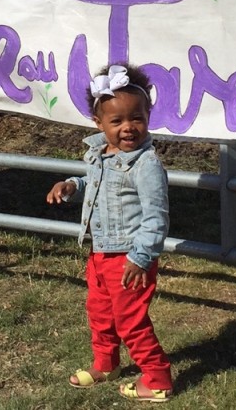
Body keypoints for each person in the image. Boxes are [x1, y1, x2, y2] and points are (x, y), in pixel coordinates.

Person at [46, 63, 173, 403]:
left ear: (148, 115)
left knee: (130, 321)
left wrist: (141, 257)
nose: (128, 128)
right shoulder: (100, 153)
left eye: (137, 118)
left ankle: (158, 378)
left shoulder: (147, 165)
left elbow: (156, 217)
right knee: (100, 313)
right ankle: (106, 364)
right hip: (100, 252)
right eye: (117, 121)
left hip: (130, 257)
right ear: (98, 123)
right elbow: (97, 184)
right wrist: (73, 184)